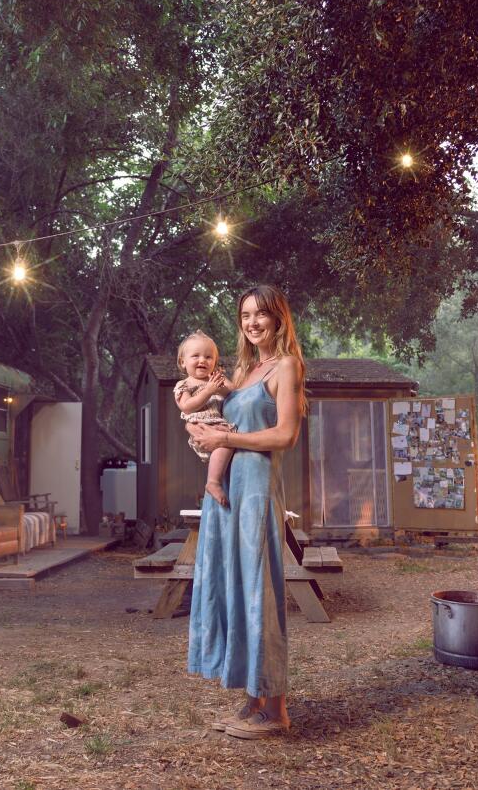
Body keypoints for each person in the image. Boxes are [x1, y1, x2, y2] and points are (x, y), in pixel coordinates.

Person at [185, 284, 306, 740]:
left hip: (256, 491)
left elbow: (285, 435)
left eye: (262, 314)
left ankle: (276, 709)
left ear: (278, 319)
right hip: (226, 495)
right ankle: (252, 698)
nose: (253, 322)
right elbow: (218, 419)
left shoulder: (286, 367)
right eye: (245, 315)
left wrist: (225, 440)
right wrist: (203, 430)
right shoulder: (245, 370)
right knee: (233, 588)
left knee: (259, 591)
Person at [173, 331, 235, 507]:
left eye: (209, 357)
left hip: (218, 424)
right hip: (202, 426)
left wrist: (221, 385)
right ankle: (213, 482)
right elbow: (186, 406)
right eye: (196, 356)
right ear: (183, 362)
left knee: (227, 441)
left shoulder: (214, 380)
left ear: (215, 362)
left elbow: (234, 393)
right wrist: (208, 390)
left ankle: (217, 480)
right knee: (226, 442)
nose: (202, 360)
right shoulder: (185, 384)